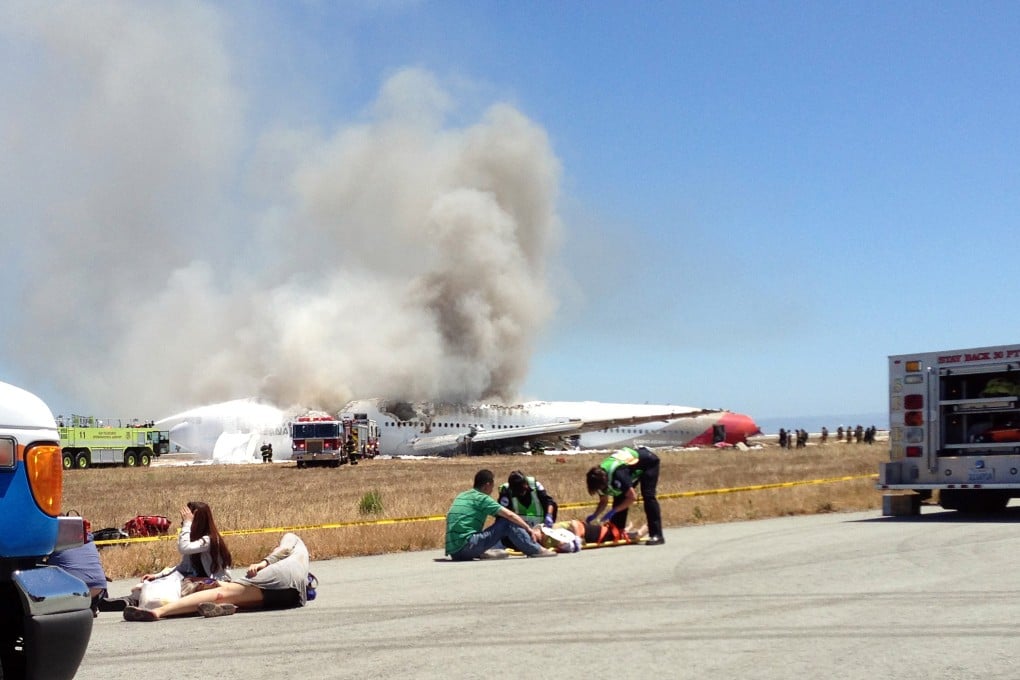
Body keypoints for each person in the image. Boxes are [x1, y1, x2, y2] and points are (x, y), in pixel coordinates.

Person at [123, 532, 311, 621]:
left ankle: (158, 612)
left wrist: (263, 563)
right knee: (241, 598)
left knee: (224, 591)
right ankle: (227, 608)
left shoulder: (292, 538)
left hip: (280, 577)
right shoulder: (302, 562)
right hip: (293, 596)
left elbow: (283, 549)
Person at [100, 501, 233, 611]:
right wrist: (157, 576)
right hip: (193, 580)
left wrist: (187, 524)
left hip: (213, 583)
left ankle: (137, 602)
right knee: (153, 584)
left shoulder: (210, 540)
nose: (183, 522)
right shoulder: (194, 540)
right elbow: (182, 567)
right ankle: (128, 601)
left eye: (187, 520)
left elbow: (184, 548)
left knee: (176, 587)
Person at [445, 469, 557, 560]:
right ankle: (536, 550)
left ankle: (480, 552)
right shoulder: (482, 498)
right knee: (507, 522)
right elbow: (509, 515)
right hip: (467, 547)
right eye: (492, 486)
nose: (492, 490)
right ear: (487, 485)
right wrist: (528, 529)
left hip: (454, 552)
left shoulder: (462, 496)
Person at [585, 446, 664, 546]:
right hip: (630, 468)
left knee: (648, 496)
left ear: (605, 481)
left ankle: (657, 534)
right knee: (619, 495)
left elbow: (632, 497)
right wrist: (595, 515)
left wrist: (614, 510)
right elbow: (603, 501)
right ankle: (618, 530)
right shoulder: (598, 477)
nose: (603, 491)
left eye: (603, 488)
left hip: (648, 463)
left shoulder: (618, 473)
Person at [47, 531, 109, 617]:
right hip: (98, 588)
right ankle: (92, 605)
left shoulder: (50, 538)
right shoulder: (87, 536)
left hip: (71, 591)